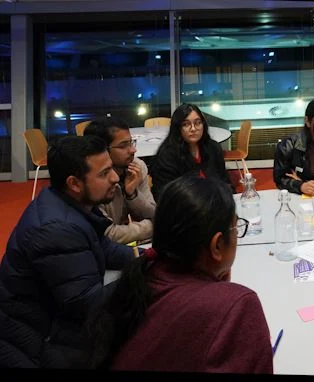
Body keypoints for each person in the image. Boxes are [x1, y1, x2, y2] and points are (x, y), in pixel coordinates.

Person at [87, 175, 273, 373]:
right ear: (217, 245)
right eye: (236, 228)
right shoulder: (238, 306)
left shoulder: (141, 278)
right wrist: (222, 294)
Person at [0, 135, 137, 368]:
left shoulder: (71, 203)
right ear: (74, 183)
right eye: (104, 174)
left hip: (53, 322)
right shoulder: (56, 229)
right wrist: (145, 277)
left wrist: (144, 257)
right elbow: (85, 304)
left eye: (111, 168)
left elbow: (104, 248)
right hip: (39, 341)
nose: (115, 177)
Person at [84, 117, 156, 244]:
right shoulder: (91, 179)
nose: (133, 150)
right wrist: (152, 227)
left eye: (131, 142)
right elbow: (108, 234)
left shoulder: (136, 167)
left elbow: (152, 213)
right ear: (102, 150)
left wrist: (132, 195)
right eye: (123, 146)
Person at [151, 103, 234, 200]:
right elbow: (166, 196)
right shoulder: (167, 155)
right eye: (186, 124)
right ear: (177, 128)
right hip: (185, 209)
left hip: (215, 205)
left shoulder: (213, 147)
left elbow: (225, 181)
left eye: (198, 123)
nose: (193, 129)